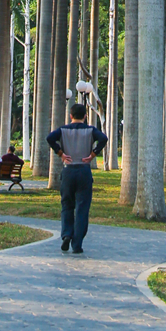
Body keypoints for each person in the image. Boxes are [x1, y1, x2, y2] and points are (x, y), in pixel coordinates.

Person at [47, 104, 107, 255]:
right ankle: (77, 243)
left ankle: (67, 234)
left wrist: (61, 153)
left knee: (67, 205)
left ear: (71, 116)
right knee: (82, 208)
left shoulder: (63, 130)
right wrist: (93, 154)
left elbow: (50, 138)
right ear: (85, 116)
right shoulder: (90, 130)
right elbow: (103, 139)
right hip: (83, 170)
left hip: (68, 170)